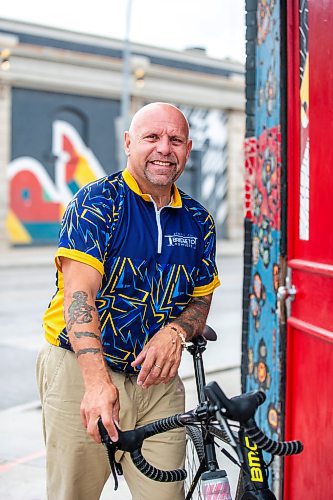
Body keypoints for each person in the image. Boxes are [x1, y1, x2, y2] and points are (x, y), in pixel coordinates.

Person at [36, 102, 220, 500]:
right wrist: (96, 383)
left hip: (158, 386)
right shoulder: (97, 202)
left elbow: (200, 299)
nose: (163, 149)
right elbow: (79, 296)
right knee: (73, 494)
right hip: (82, 372)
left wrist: (176, 331)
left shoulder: (199, 220)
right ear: (128, 143)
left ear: (188, 148)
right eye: (152, 137)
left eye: (175, 140)